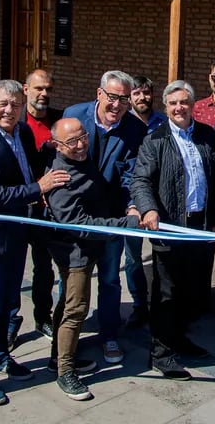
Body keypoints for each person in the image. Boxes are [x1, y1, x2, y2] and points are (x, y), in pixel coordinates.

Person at [0, 79, 69, 406]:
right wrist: (40, 186)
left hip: (16, 234)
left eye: (16, 105)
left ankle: (0, 356)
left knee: (7, 303)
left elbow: (26, 168)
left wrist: (50, 152)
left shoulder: (20, 133)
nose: (9, 110)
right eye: (3, 104)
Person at [129, 79, 215, 380]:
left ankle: (180, 339)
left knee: (191, 290)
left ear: (192, 105)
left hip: (199, 227)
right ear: (166, 107)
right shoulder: (155, 140)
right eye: (172, 104)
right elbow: (140, 180)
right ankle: (162, 353)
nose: (178, 108)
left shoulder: (208, 136)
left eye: (183, 102)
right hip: (170, 226)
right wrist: (149, 209)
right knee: (166, 292)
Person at [44, 117, 143, 401]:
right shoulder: (61, 178)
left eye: (82, 137)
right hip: (76, 253)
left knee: (67, 307)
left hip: (90, 248)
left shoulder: (82, 160)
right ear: (57, 146)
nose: (80, 145)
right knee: (75, 309)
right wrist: (125, 224)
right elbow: (80, 223)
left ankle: (59, 359)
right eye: (71, 142)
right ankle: (65, 372)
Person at [63, 70, 146, 365]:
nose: (117, 105)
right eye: (112, 97)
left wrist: (133, 205)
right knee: (72, 280)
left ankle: (109, 334)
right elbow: (60, 159)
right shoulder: (74, 116)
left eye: (124, 99)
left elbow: (132, 173)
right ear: (99, 94)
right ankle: (66, 343)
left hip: (112, 217)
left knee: (110, 279)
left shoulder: (135, 129)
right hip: (78, 217)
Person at [7, 69, 60, 349]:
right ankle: (10, 322)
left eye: (48, 89)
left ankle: (43, 316)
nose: (44, 94)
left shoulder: (58, 121)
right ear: (25, 90)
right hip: (18, 207)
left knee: (44, 268)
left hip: (44, 210)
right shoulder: (15, 122)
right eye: (38, 88)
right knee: (13, 269)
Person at [123, 74, 166, 328]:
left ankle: (162, 303)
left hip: (160, 201)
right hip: (132, 202)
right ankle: (140, 304)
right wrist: (132, 203)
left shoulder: (163, 123)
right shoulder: (124, 124)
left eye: (146, 92)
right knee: (133, 257)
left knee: (163, 255)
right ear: (130, 97)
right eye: (137, 93)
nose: (142, 97)